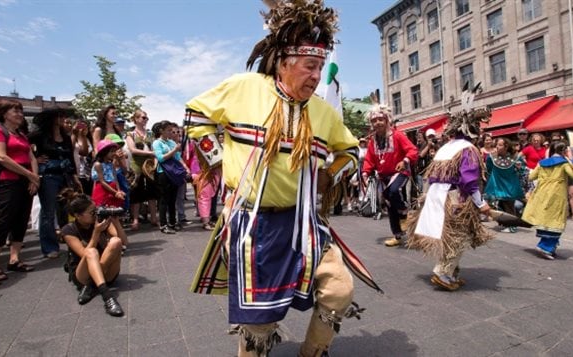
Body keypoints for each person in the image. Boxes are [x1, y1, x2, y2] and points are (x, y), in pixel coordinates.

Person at [186, 2, 381, 355]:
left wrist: (331, 175)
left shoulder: (322, 112)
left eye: (320, 67)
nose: (316, 76)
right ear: (283, 62)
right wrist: (217, 159)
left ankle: (312, 352)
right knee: (259, 323)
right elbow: (195, 114)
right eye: (310, 66)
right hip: (250, 224)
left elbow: (351, 152)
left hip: (303, 222)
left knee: (339, 290)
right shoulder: (244, 88)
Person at [406, 86, 493, 291]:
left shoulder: (446, 147)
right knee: (459, 236)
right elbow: (469, 181)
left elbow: (432, 175)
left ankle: (453, 272)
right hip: (454, 199)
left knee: (452, 235)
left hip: (436, 197)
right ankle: (443, 272)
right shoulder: (468, 149)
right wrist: (481, 203)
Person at [0, 99, 39, 286]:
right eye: (15, 111)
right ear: (4, 114)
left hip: (25, 182)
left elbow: (31, 157)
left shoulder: (21, 134)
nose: (19, 114)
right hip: (7, 182)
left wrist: (34, 178)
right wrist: (29, 174)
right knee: (4, 221)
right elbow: (1, 156)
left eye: (20, 110)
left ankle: (14, 259)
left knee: (21, 220)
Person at [59, 189, 124, 316]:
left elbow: (124, 241)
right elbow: (85, 254)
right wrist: (96, 232)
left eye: (96, 210)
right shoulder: (68, 230)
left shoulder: (100, 221)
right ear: (78, 216)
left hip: (105, 273)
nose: (96, 214)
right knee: (91, 252)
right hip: (83, 275)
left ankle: (92, 286)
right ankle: (107, 297)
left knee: (116, 241)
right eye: (91, 212)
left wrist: (116, 222)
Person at [362, 104, 418, 247]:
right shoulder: (372, 142)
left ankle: (405, 214)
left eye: (381, 119)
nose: (378, 123)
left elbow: (412, 150)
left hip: (400, 172)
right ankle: (398, 235)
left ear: (387, 120)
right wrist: (365, 172)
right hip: (384, 177)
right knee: (390, 206)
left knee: (394, 192)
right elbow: (369, 159)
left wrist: (405, 160)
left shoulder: (398, 135)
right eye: (374, 121)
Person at [28, 107, 78, 259]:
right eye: (60, 116)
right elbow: (24, 148)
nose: (63, 119)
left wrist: (74, 175)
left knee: (69, 210)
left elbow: (70, 156)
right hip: (49, 176)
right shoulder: (39, 136)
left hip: (65, 176)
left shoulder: (66, 136)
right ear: (52, 118)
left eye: (63, 116)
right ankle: (49, 247)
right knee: (48, 212)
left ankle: (72, 241)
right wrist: (35, 160)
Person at [522, 141, 573, 259]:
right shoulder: (564, 164)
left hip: (542, 193)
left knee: (546, 218)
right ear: (564, 151)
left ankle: (550, 245)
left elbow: (531, 177)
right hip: (556, 194)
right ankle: (545, 247)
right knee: (556, 219)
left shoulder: (541, 163)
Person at [152, 121, 189, 234]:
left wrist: (185, 167)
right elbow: (160, 158)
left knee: (172, 199)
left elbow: (178, 158)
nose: (170, 132)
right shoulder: (157, 143)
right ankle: (163, 225)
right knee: (164, 200)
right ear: (161, 131)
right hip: (163, 173)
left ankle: (172, 223)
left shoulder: (171, 142)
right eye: (168, 130)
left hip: (174, 173)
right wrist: (174, 150)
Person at [91, 139, 128, 247]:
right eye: (111, 151)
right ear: (104, 152)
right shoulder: (98, 164)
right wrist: (115, 192)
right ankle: (108, 241)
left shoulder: (111, 164)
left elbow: (115, 178)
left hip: (112, 190)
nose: (114, 154)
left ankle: (116, 240)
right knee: (104, 217)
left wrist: (118, 190)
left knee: (115, 216)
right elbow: (102, 182)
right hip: (103, 192)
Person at [125, 109, 158, 229]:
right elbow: (132, 149)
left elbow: (155, 149)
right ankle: (135, 219)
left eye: (146, 118)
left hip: (149, 166)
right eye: (143, 117)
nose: (145, 120)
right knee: (136, 193)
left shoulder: (150, 134)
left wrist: (154, 161)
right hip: (137, 167)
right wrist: (150, 153)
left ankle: (154, 217)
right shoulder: (131, 134)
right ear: (136, 119)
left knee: (152, 192)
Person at [484, 137, 525, 233]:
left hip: (510, 185)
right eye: (497, 145)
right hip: (497, 184)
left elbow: (522, 170)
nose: (497, 147)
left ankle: (512, 226)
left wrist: (519, 168)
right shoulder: (492, 157)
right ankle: (506, 223)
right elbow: (489, 169)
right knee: (500, 204)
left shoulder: (516, 157)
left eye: (499, 145)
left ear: (506, 146)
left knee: (509, 205)